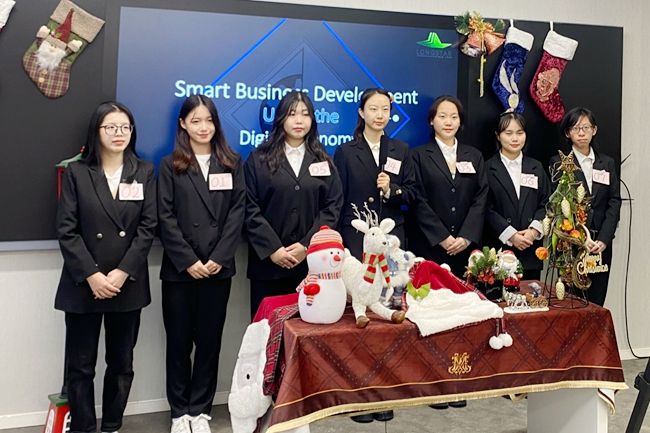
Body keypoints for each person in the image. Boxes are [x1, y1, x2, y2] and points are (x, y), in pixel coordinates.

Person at [55, 101, 156, 433]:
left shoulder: (144, 171)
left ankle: (112, 425)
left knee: (121, 363)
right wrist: (93, 275)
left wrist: (122, 272)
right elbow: (66, 230)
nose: (118, 133)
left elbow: (147, 228)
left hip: (127, 282)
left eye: (125, 127)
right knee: (80, 366)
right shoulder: (77, 173)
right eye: (110, 127)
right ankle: (83, 427)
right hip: (84, 282)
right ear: (96, 131)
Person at [158, 95, 245, 433]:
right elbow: (165, 217)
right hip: (180, 270)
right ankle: (179, 412)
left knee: (210, 342)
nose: (203, 127)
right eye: (195, 121)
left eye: (208, 120)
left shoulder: (231, 162)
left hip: (217, 269)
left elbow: (237, 213)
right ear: (183, 124)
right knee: (178, 343)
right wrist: (188, 260)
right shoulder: (170, 165)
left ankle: (201, 410)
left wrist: (218, 258)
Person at [244, 90, 343, 317]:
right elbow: (249, 208)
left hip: (312, 267)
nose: (299, 121)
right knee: (267, 330)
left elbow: (332, 207)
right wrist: (273, 249)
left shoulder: (323, 160)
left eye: (305, 114)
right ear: (281, 118)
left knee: (307, 328)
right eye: (292, 114)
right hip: (268, 267)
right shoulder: (258, 159)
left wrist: (307, 246)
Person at [409, 95, 489, 279]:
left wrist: (466, 236)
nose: (448, 122)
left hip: (466, 248)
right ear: (431, 120)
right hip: (430, 245)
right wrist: (442, 237)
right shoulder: (418, 156)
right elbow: (417, 199)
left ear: (460, 121)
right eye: (442, 116)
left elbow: (481, 197)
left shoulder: (474, 155)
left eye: (454, 117)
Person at [334, 87, 417, 259]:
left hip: (391, 236)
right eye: (373, 109)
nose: (380, 115)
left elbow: (411, 193)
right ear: (361, 112)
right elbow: (338, 199)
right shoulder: (346, 152)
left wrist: (389, 190)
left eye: (385, 109)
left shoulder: (400, 150)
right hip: (357, 235)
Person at [549, 107, 621, 306]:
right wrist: (581, 240)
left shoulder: (607, 163)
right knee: (572, 303)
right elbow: (558, 206)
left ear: (594, 130)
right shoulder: (559, 163)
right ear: (567, 133)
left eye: (586, 127)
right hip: (571, 244)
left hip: (600, 245)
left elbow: (614, 201)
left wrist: (604, 239)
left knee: (597, 300)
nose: (581, 133)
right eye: (575, 128)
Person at [485, 112, 551, 280]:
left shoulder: (536, 167)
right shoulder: (487, 168)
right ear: (498, 136)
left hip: (531, 250)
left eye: (520, 133)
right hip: (499, 252)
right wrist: (511, 235)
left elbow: (547, 203)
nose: (515, 138)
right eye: (508, 133)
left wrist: (533, 231)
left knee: (531, 294)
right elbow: (485, 208)